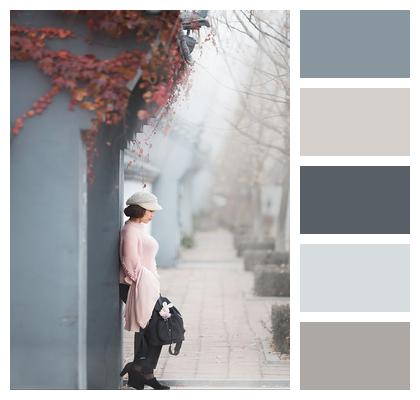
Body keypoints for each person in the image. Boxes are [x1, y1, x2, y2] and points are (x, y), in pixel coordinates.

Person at [119, 190, 170, 390]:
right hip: (135, 286)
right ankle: (141, 370)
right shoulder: (130, 230)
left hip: (148, 285)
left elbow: (148, 260)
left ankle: (141, 371)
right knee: (153, 327)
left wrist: (154, 284)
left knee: (154, 328)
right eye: (150, 210)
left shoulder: (138, 228)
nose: (153, 214)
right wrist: (145, 284)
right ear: (139, 209)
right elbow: (130, 263)